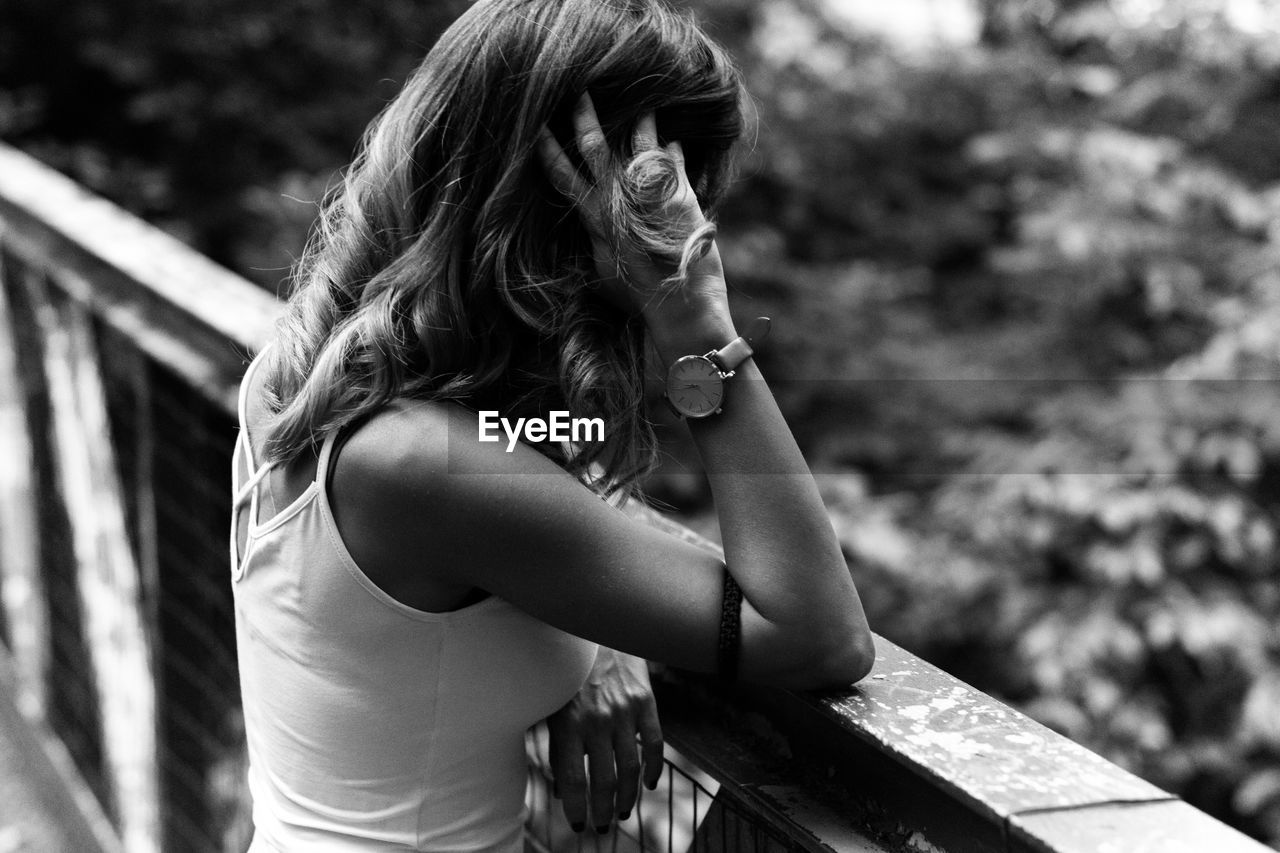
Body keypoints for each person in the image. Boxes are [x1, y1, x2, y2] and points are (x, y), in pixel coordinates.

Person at [229, 0, 875, 849]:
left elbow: (558, 505)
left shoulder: (307, 369)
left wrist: (601, 632)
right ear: (569, 213)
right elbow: (820, 636)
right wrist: (698, 325)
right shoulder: (422, 462)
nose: (696, 223)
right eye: (673, 195)